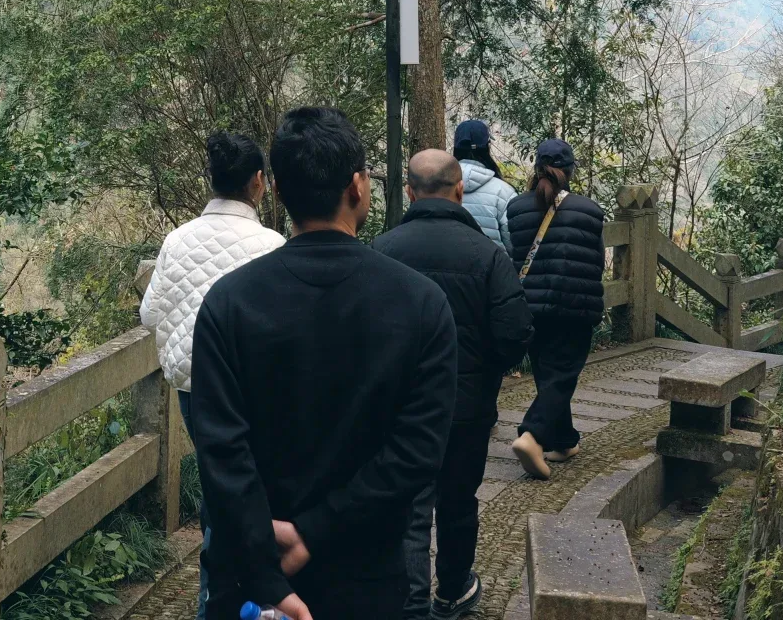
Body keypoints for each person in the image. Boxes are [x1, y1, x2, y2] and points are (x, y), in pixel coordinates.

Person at [191, 106, 458, 620]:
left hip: (248, 579)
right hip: (367, 577)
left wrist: (267, 571)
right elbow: (417, 452)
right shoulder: (420, 304)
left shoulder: (229, 303)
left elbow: (221, 449)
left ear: (277, 190)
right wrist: (316, 531)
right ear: (357, 187)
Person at [374, 150, 532, 620]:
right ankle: (452, 592)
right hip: (467, 407)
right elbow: (515, 334)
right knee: (459, 501)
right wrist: (485, 372)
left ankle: (410, 602)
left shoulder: (381, 250)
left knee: (409, 504)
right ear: (459, 190)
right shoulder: (488, 255)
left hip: (399, 408)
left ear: (410, 192)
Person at [139, 132, 284, 620]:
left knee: (218, 488)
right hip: (254, 392)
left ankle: (215, 601)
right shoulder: (271, 245)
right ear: (259, 182)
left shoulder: (177, 240)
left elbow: (149, 314)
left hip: (194, 389)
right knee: (254, 490)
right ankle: (255, 599)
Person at [505, 138, 605, 480]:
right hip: (574, 307)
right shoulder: (589, 210)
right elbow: (596, 262)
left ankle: (564, 441)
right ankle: (532, 436)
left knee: (549, 374)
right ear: (570, 171)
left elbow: (515, 252)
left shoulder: (516, 208)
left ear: (536, 168)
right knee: (562, 375)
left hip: (530, 305)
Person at [453, 119, 517, 252]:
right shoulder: (504, 191)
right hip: (494, 263)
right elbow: (513, 243)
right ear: (487, 147)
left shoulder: (439, 186)